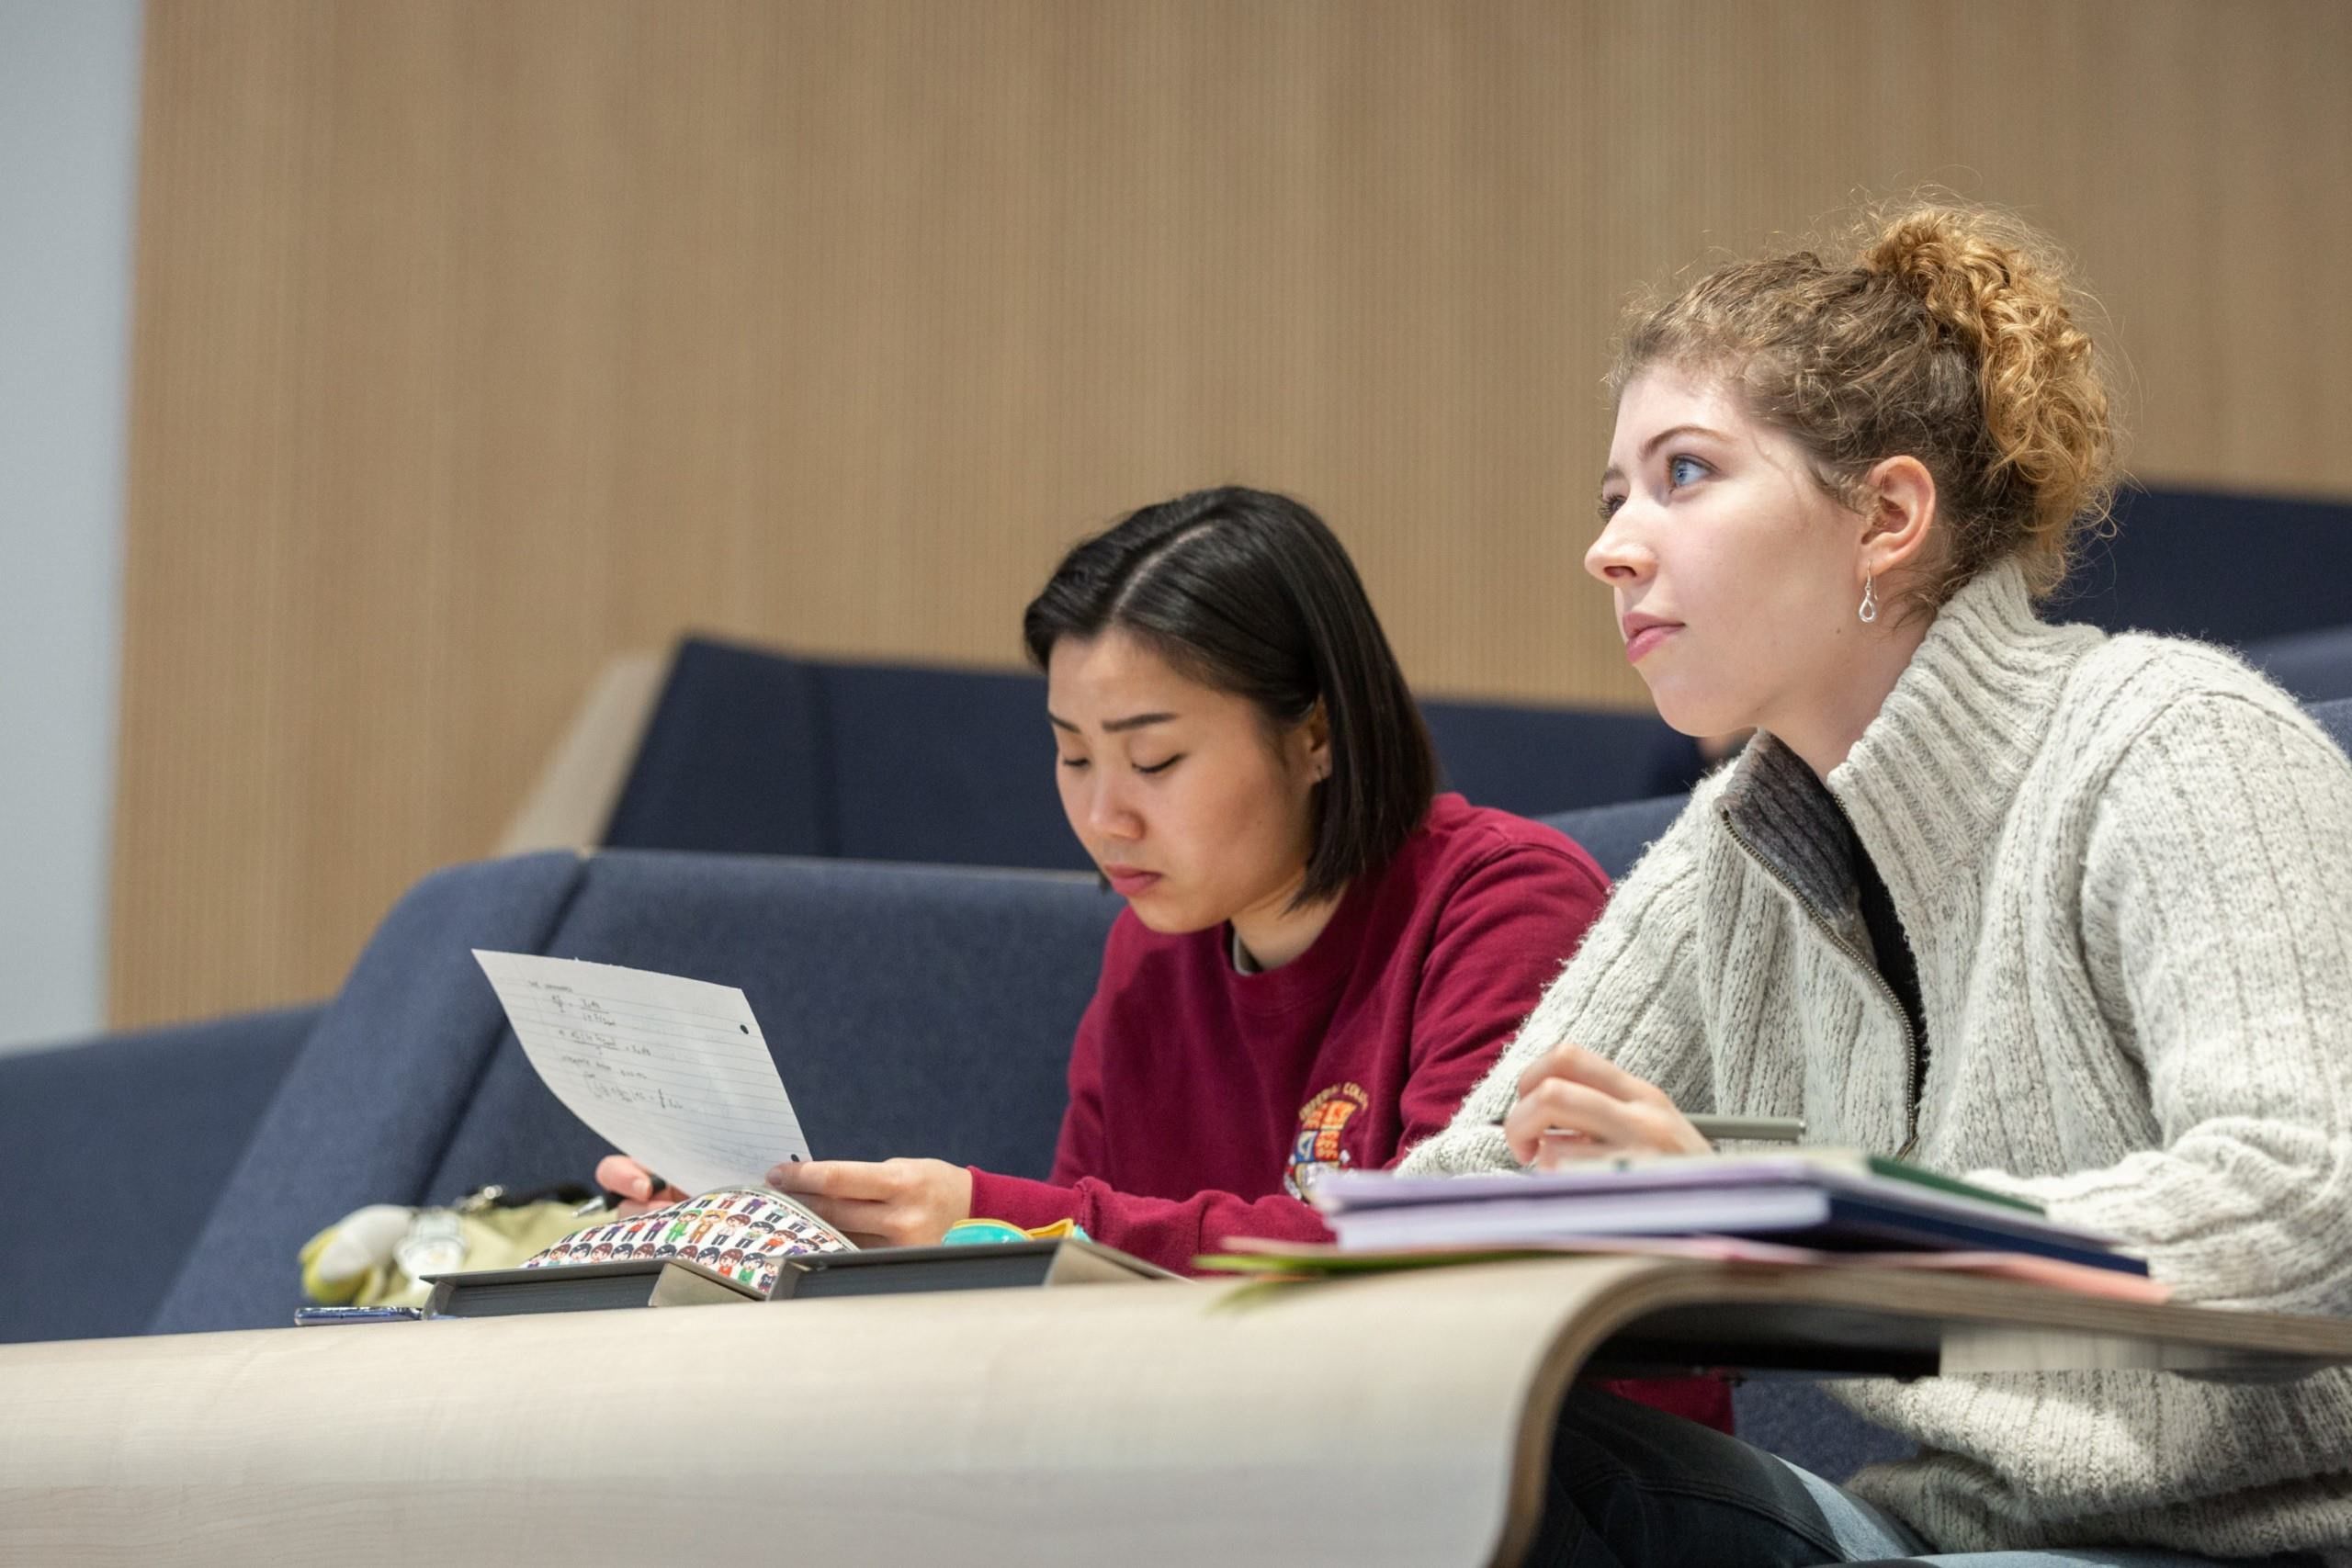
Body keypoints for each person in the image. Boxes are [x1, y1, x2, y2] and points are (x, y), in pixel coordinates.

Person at [1401, 200, 2352, 1565]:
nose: (1611, 548)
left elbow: (2302, 1198)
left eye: (1683, 474)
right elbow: (1472, 1175)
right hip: (1930, 1531)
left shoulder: (2175, 743)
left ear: (1887, 517)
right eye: (1612, 499)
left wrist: (1792, 1217)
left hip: (2250, 1541)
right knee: (1444, 1445)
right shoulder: (1739, 833)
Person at [600, 485, 1731, 1428]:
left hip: (1546, 1470)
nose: (1105, 817)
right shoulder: (1152, 958)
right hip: (1252, 1462)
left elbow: (1444, 1256)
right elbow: (1089, 1303)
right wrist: (768, 1226)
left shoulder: (1501, 903)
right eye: (1072, 757)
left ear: (1318, 733)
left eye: (1154, 758)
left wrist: (1005, 1214)